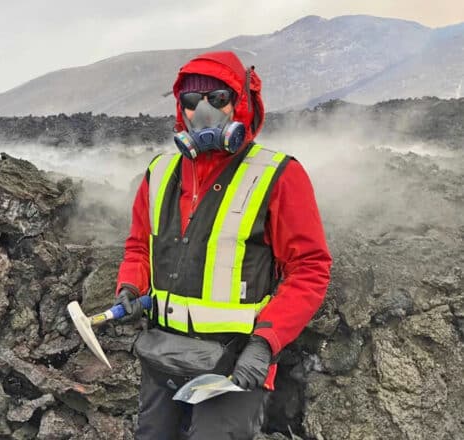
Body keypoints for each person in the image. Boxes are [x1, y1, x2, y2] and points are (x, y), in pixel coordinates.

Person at [113, 51, 332, 439]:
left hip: (235, 363)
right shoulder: (159, 173)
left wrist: (266, 344)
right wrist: (131, 285)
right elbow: (138, 246)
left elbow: (310, 268)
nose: (203, 110)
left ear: (241, 103)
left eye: (218, 98)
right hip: (162, 353)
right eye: (191, 101)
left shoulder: (278, 174)